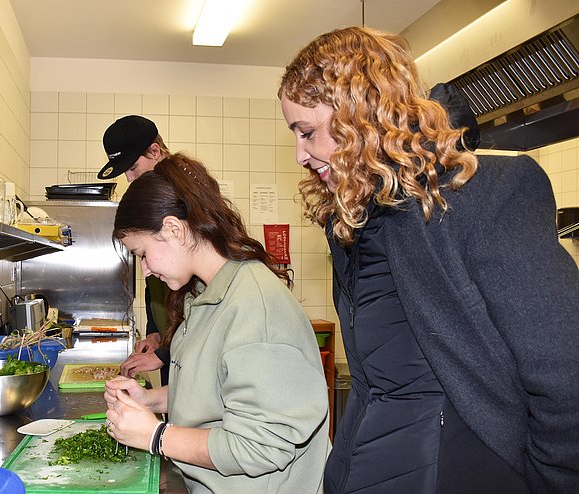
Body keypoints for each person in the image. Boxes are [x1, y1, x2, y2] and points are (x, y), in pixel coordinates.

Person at [278, 26, 579, 494]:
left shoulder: (482, 197)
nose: (300, 153)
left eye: (308, 132)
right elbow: (375, 382)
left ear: (361, 114)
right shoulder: (351, 225)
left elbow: (566, 378)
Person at [103, 153, 330, 493]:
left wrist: (155, 436)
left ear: (174, 229)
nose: (146, 270)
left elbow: (261, 445)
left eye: (143, 254)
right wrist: (152, 401)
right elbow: (218, 390)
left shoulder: (254, 308)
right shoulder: (202, 295)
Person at [99, 115, 172, 384]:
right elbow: (154, 282)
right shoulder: (151, 196)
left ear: (155, 151)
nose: (130, 178)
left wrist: (165, 353)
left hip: (192, 353)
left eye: (133, 167)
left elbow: (199, 306)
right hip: (172, 346)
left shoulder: (181, 199)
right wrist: (155, 333)